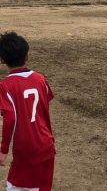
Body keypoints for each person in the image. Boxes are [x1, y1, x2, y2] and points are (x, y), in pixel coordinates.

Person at [0, 32, 55, 191]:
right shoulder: (40, 78)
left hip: (26, 148)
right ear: (27, 55)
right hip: (46, 143)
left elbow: (10, 118)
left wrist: (3, 150)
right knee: (42, 187)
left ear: (2, 60)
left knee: (16, 186)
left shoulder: (5, 86)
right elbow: (45, 104)